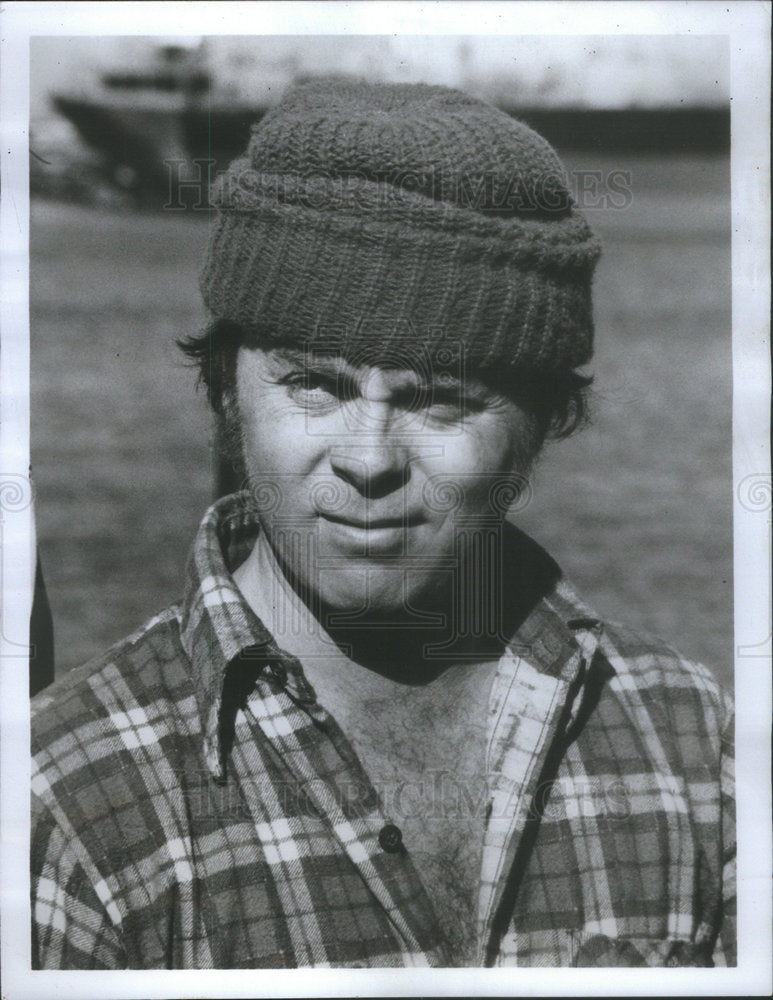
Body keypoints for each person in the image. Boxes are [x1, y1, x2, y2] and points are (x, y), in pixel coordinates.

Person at [31, 80, 734, 969]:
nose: (367, 459)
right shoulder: (63, 798)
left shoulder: (690, 743)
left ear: (544, 423)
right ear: (223, 394)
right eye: (313, 385)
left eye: (439, 399)